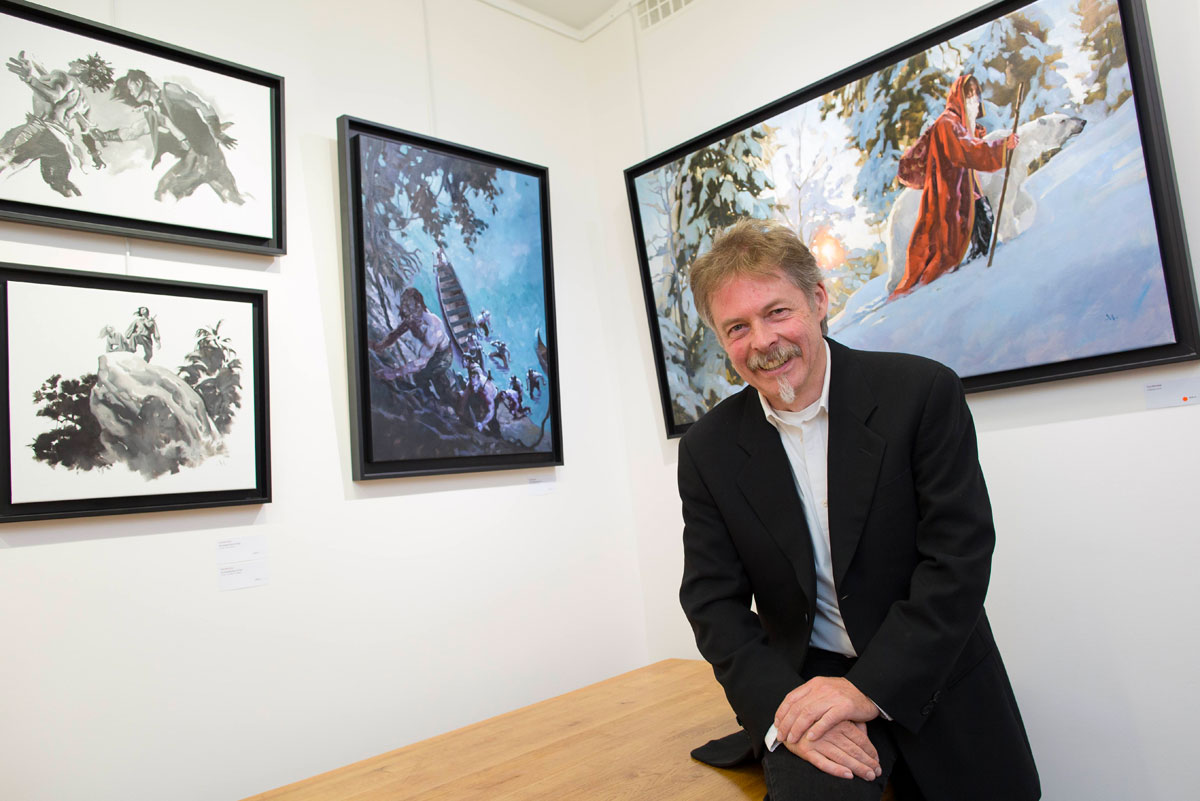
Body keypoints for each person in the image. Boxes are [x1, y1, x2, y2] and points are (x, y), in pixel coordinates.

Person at [678, 219, 1039, 801]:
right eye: (737, 327)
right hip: (808, 692)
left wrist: (866, 688)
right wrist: (781, 709)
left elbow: (958, 560)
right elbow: (712, 602)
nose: (763, 341)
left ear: (819, 300)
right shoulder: (707, 450)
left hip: (932, 676)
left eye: (777, 312)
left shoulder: (921, 393)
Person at [890, 74, 1017, 298]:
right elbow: (967, 151)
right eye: (969, 96)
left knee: (982, 227)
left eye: (976, 96)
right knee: (945, 250)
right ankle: (961, 285)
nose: (974, 101)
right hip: (952, 195)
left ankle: (978, 276)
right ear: (959, 97)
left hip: (967, 191)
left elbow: (969, 146)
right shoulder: (947, 123)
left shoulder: (958, 123)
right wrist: (1002, 146)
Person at [370, 287, 455, 402]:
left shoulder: (433, 328)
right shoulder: (412, 317)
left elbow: (421, 363)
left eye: (410, 309)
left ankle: (432, 400)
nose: (407, 316)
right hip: (432, 352)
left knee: (421, 376)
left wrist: (393, 373)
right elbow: (395, 334)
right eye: (405, 310)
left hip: (443, 355)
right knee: (424, 374)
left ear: (418, 306)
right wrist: (379, 347)